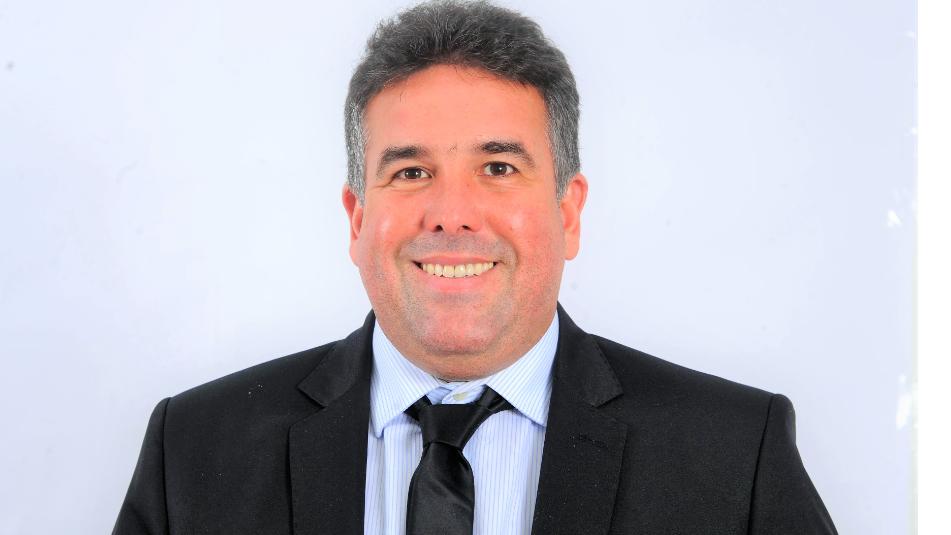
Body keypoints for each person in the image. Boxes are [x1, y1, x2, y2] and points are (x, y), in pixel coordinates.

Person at [113, 1, 837, 534]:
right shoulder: (196, 448)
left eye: (497, 167)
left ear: (568, 212)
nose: (452, 214)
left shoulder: (733, 454)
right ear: (357, 218)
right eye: (410, 172)